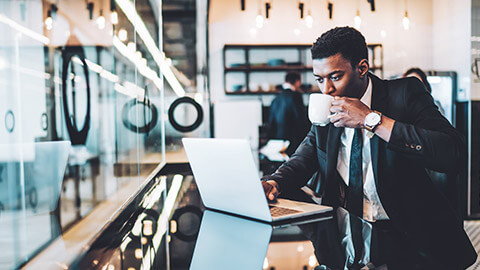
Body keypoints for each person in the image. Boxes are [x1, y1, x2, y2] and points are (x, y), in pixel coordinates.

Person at [261, 26, 476, 269]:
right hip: (346, 239)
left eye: (335, 77)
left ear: (362, 68)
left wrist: (371, 120)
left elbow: (452, 153)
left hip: (408, 241)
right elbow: (304, 157)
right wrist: (274, 182)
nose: (326, 89)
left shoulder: (404, 94)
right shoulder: (326, 108)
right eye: (319, 79)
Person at [267, 71, 310, 156]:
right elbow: (300, 120)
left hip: (278, 142)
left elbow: (271, 122)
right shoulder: (296, 96)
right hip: (293, 142)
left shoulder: (275, 99)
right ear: (297, 82)